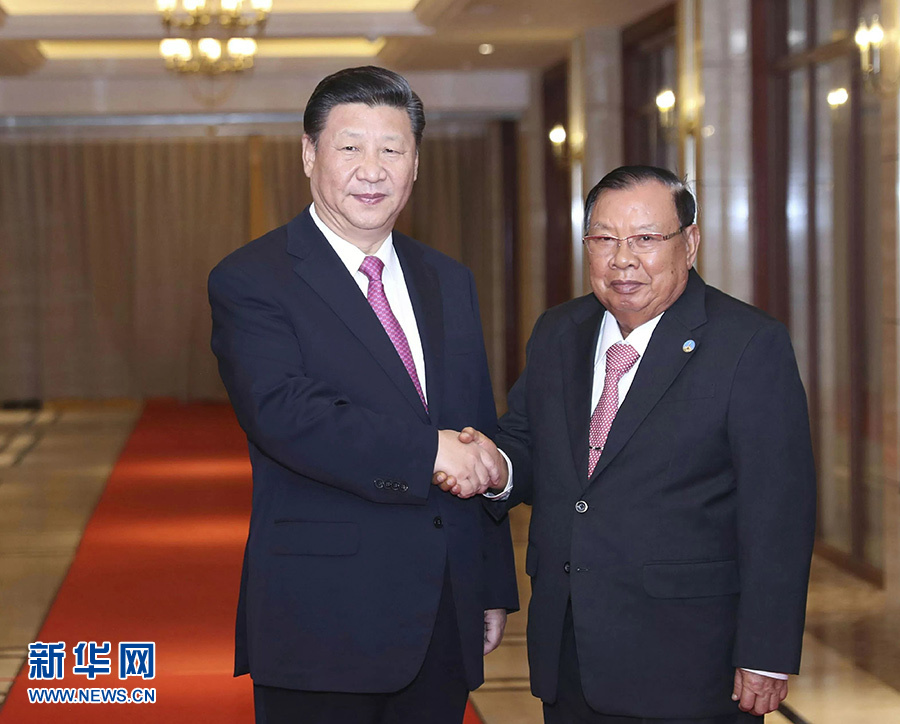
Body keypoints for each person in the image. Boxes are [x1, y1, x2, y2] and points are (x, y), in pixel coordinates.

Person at [436, 165, 817, 723]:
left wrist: (766, 652)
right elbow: (527, 440)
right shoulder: (558, 331)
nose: (622, 259)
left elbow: (779, 510)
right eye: (604, 239)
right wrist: (497, 465)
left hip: (689, 659)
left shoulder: (748, 344)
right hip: (569, 649)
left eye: (645, 238)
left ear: (690, 243)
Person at [208, 65, 518, 724]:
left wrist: (490, 584)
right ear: (309, 154)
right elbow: (285, 415)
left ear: (416, 164)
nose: (371, 170)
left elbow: (474, 428)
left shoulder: (448, 279)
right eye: (350, 147)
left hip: (443, 612)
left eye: (392, 149)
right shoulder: (252, 278)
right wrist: (427, 452)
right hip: (324, 616)